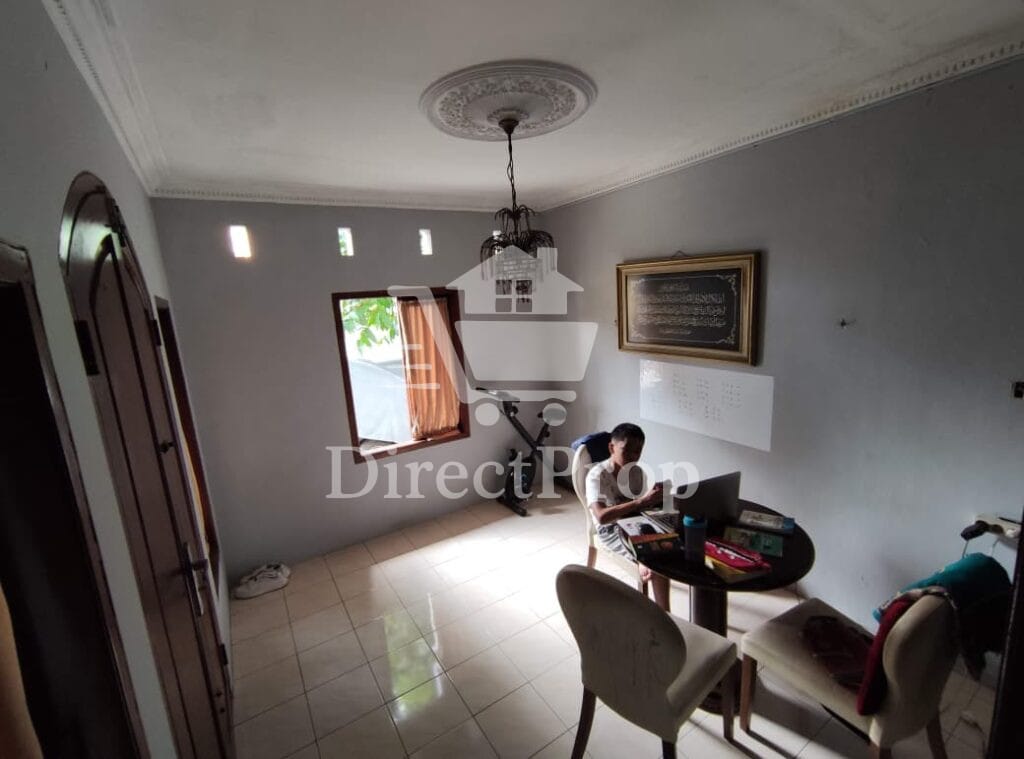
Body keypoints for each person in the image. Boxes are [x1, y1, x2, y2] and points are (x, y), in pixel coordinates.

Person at [584, 423, 671, 610]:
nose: (633, 456)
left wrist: (654, 500)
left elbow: (634, 506)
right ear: (612, 447)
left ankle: (645, 559)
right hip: (610, 529)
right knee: (656, 560)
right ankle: (664, 612)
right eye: (627, 450)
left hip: (632, 522)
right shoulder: (597, 475)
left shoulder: (636, 472)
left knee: (670, 540)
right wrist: (642, 501)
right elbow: (601, 517)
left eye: (638, 452)